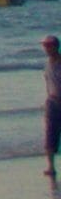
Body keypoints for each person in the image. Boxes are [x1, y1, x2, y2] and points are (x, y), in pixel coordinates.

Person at [42, 36, 59, 176]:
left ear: (55, 46)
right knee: (50, 133)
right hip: (52, 101)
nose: (46, 49)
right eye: (45, 46)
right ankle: (51, 166)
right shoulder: (47, 63)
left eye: (48, 46)